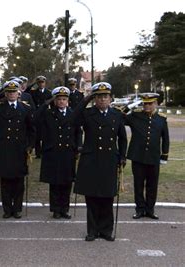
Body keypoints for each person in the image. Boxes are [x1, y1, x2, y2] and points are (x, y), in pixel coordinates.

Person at [72, 82, 127, 242]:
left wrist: (122, 156)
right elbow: (72, 119)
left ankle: (106, 230)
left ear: (110, 98)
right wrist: (85, 99)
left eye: (105, 96)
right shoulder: (88, 113)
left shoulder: (116, 115)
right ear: (94, 99)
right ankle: (92, 230)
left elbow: (122, 138)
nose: (102, 100)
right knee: (92, 197)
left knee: (107, 196)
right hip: (91, 160)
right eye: (99, 97)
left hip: (109, 159)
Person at [0, 81, 35, 219]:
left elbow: (32, 129)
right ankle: (7, 209)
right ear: (5, 94)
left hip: (20, 149)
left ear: (18, 93)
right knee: (6, 181)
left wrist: (30, 145)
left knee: (19, 181)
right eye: (8, 92)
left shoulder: (25, 108)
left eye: (14, 92)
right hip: (5, 148)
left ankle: (17, 209)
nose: (11, 94)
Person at [34, 87, 80, 219]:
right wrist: (45, 104)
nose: (61, 102)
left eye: (64, 99)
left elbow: (78, 132)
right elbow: (34, 118)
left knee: (67, 182)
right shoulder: (48, 114)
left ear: (68, 101)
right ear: (55, 101)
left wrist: (78, 147)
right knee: (54, 182)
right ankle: (55, 209)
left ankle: (64, 209)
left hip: (68, 152)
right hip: (53, 152)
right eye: (58, 99)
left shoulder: (73, 114)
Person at [125, 93, 169, 220]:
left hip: (154, 157)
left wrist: (164, 155)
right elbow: (120, 115)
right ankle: (139, 209)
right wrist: (131, 105)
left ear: (155, 104)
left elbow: (165, 138)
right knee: (138, 185)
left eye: (150, 103)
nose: (147, 106)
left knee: (152, 185)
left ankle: (150, 209)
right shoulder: (135, 116)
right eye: (145, 103)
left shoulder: (161, 119)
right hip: (138, 157)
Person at [30, 76, 52, 158]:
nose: (41, 84)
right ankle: (38, 153)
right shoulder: (33, 92)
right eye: (39, 82)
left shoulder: (48, 93)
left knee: (45, 134)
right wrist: (33, 83)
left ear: (45, 83)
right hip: (37, 115)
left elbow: (52, 104)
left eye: (42, 82)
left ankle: (44, 151)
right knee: (37, 135)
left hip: (46, 115)